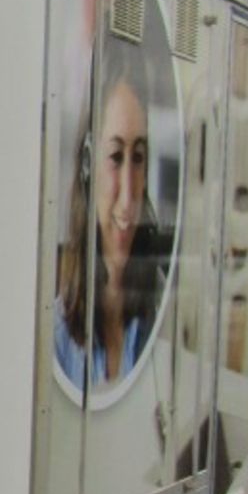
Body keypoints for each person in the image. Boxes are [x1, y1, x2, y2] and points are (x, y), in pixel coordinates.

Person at [55, 39, 162, 388]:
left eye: (139, 157)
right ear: (87, 163)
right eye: (116, 157)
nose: (130, 196)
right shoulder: (57, 336)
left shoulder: (163, 312)